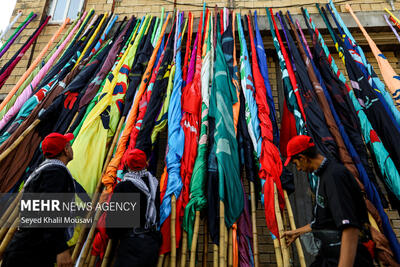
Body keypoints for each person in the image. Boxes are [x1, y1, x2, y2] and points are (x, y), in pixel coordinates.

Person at [282, 135, 374, 267]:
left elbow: (350, 227)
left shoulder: (335, 177)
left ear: (303, 158)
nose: (298, 169)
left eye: (296, 164)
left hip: (348, 255)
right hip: (330, 253)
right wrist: (296, 233)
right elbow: (323, 221)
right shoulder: (323, 176)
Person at [3, 132, 75, 267]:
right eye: (69, 145)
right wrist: (61, 249)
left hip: (25, 249)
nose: (71, 148)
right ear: (65, 150)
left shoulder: (43, 170)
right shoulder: (55, 172)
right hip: (31, 253)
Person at [106, 148, 161, 267]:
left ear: (126, 164)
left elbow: (113, 226)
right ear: (146, 163)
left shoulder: (124, 187)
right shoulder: (154, 184)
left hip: (132, 246)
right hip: (151, 243)